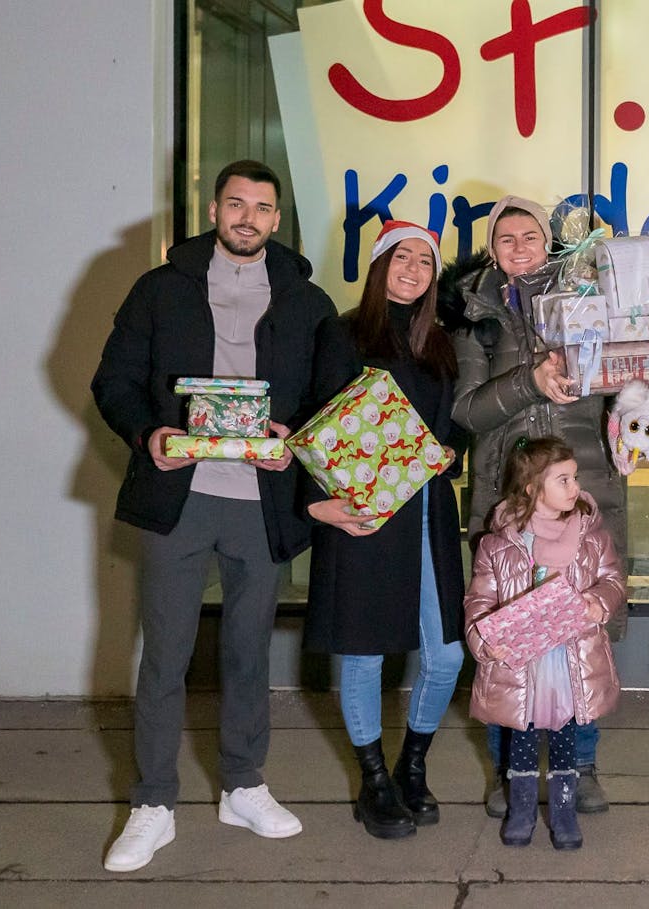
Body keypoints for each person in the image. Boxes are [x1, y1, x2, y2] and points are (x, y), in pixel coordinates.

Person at [91, 160, 338, 871]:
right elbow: (113, 380)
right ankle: (153, 801)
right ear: (213, 208)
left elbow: (332, 393)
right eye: (237, 204)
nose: (248, 217)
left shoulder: (307, 301)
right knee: (166, 653)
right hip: (181, 497)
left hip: (262, 503)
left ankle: (243, 783)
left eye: (262, 207)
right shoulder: (160, 289)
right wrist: (149, 434)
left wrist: (294, 437)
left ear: (276, 220)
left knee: (248, 650)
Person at [439, 196, 626, 817]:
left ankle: (582, 765)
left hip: (582, 487)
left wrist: (635, 408)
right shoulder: (473, 314)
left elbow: (626, 377)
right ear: (492, 248)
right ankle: (509, 769)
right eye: (506, 238)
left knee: (582, 631)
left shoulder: (589, 295)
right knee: (509, 634)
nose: (519, 247)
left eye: (530, 236)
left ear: (549, 242)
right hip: (506, 493)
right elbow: (465, 410)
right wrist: (529, 383)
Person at [302, 221, 469, 839]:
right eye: (402, 257)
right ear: (378, 266)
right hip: (364, 513)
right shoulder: (342, 334)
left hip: (426, 511)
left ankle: (413, 765)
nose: (413, 269)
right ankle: (373, 781)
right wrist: (319, 504)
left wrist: (451, 451)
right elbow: (315, 423)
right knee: (364, 651)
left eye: (425, 262)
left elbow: (453, 428)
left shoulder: (441, 344)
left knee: (447, 653)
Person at [464, 437, 625, 851]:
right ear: (533, 488)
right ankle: (520, 811)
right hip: (523, 666)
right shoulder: (498, 544)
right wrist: (484, 638)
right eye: (563, 480)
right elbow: (480, 599)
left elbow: (612, 581)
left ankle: (564, 813)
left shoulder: (592, 535)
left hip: (570, 659)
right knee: (520, 738)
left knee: (565, 739)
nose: (575, 488)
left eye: (574, 478)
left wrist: (597, 602)